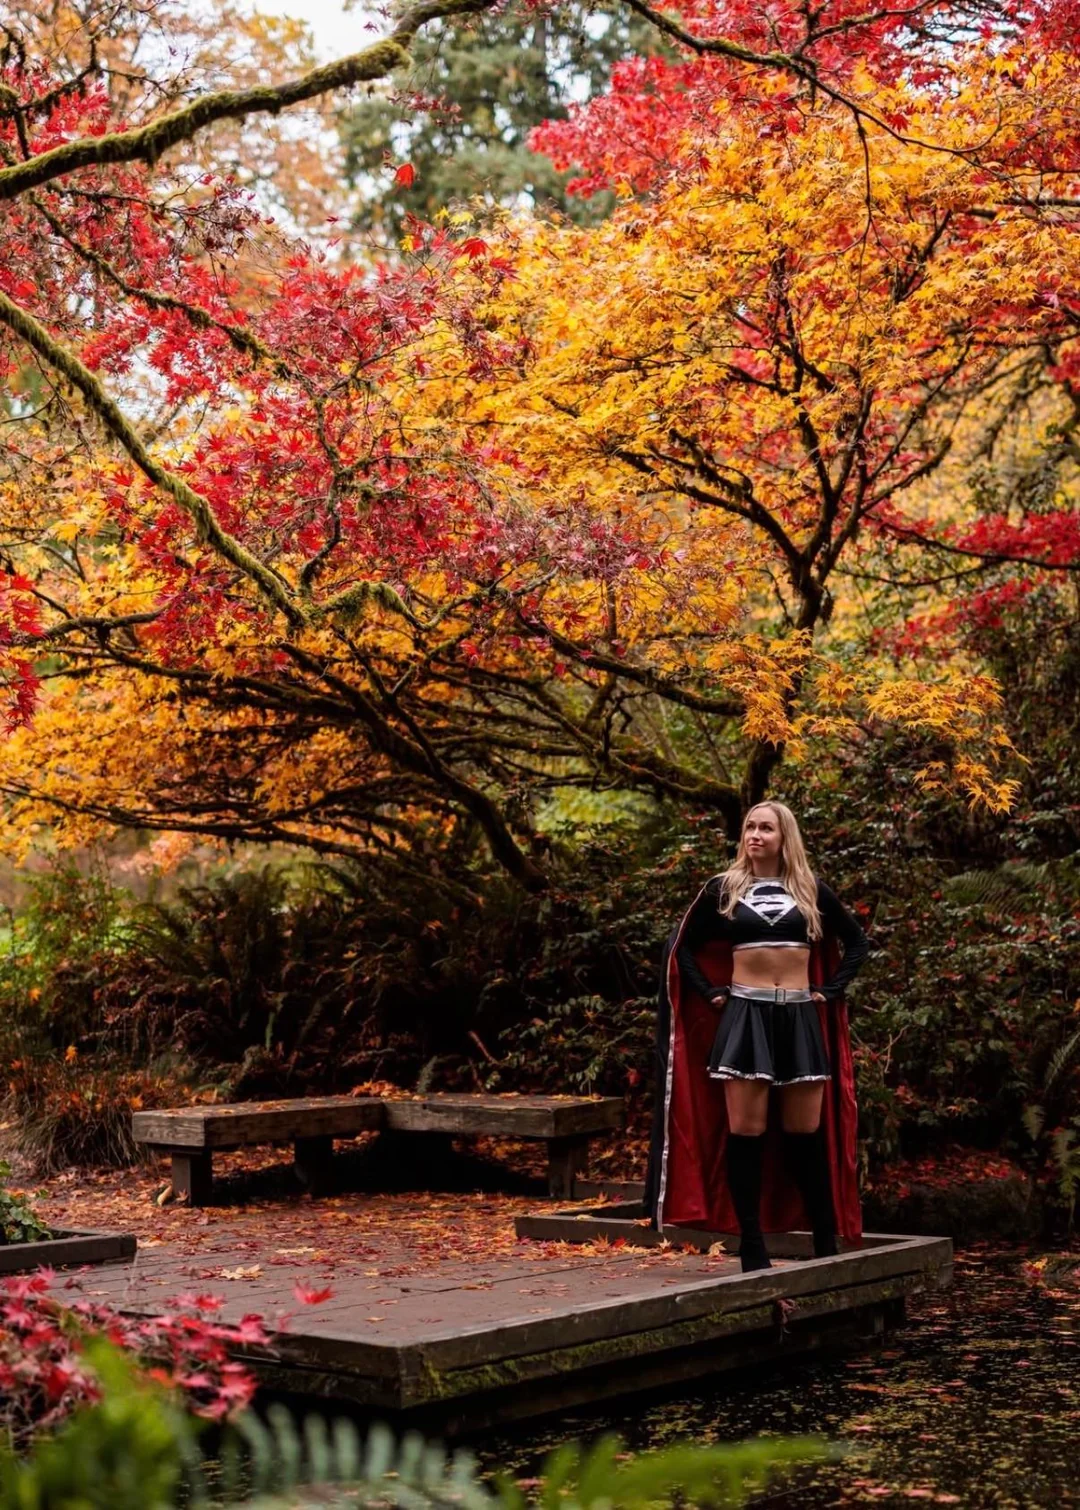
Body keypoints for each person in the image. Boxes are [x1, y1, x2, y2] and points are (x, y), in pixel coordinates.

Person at [644, 801, 869, 1271]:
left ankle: (825, 1245)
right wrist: (710, 993)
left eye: (766, 828)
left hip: (800, 1018)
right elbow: (681, 946)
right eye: (749, 826)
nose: (755, 835)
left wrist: (830, 991)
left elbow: (856, 941)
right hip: (745, 1017)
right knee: (746, 1133)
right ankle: (752, 1247)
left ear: (784, 836)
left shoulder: (810, 891)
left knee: (804, 1134)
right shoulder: (723, 890)